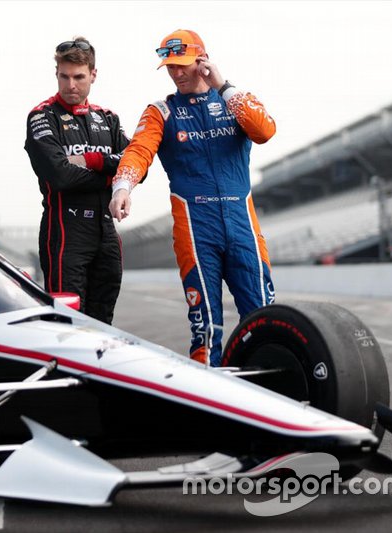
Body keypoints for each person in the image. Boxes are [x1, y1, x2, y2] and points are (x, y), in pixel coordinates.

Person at [109, 29, 276, 365]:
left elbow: (265, 131)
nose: (176, 72)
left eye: (182, 64)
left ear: (203, 60)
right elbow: (138, 151)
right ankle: (209, 408)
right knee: (206, 330)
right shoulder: (161, 111)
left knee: (265, 322)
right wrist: (123, 186)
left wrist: (223, 86)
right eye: (170, 67)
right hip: (196, 231)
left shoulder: (235, 100)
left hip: (243, 227)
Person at [25, 37, 130, 324]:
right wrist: (111, 174)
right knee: (67, 324)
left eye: (79, 77)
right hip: (65, 233)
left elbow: (136, 165)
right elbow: (61, 176)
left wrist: (94, 161)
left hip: (106, 232)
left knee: (103, 322)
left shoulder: (108, 119)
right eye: (64, 76)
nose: (71, 85)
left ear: (93, 74)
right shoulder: (41, 116)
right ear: (57, 73)